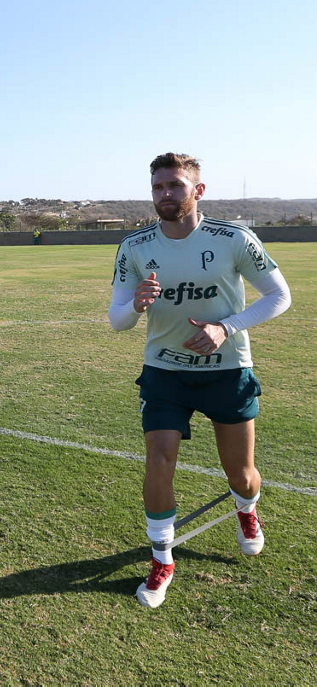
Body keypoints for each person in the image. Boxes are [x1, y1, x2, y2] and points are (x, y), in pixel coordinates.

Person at [109, 153, 291, 609]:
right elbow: (117, 320)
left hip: (227, 371)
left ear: (198, 191)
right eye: (158, 187)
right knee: (158, 460)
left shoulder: (234, 238)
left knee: (242, 475)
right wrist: (136, 305)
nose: (165, 194)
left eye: (175, 185)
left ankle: (246, 510)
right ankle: (162, 558)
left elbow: (279, 296)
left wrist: (225, 327)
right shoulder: (134, 246)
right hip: (164, 372)